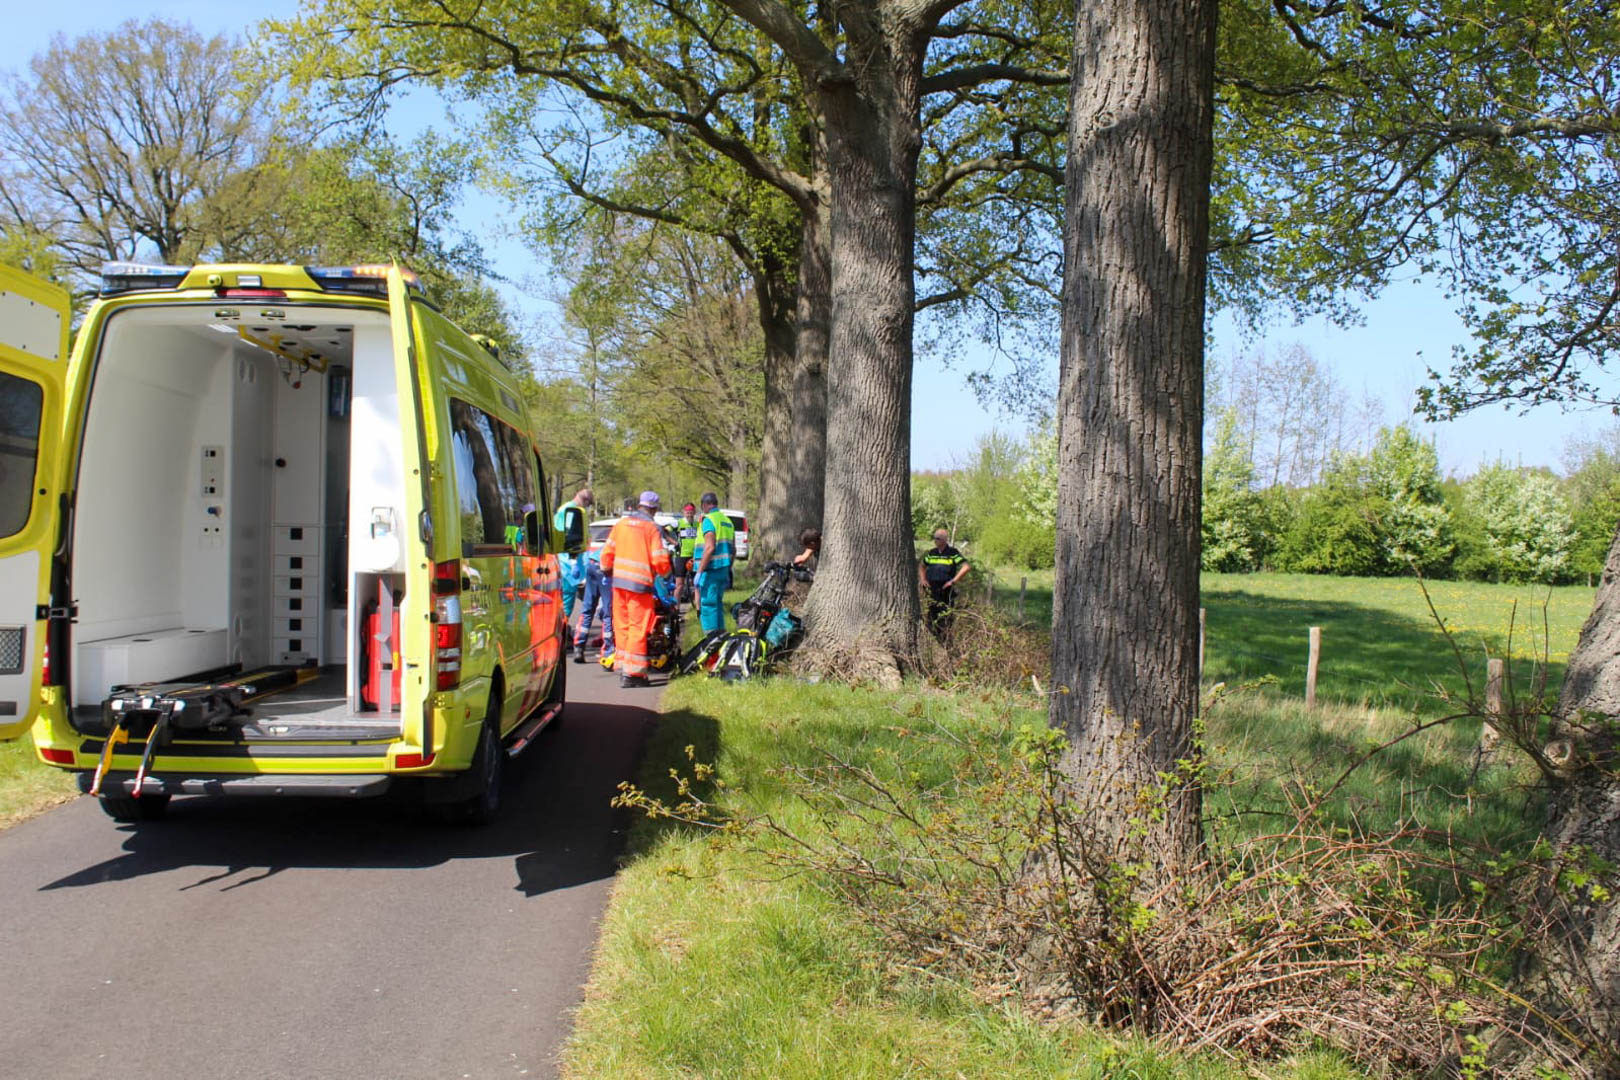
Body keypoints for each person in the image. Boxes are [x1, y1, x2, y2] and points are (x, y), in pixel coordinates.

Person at [600, 491, 673, 687]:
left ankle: (623, 666)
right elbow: (659, 560)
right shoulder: (651, 528)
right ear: (654, 509)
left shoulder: (621, 524)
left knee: (622, 626)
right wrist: (667, 573)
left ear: (640, 505)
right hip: (639, 587)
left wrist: (606, 569)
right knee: (637, 628)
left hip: (619, 585)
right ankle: (633, 674)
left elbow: (607, 553)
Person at [693, 491, 736, 636]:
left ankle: (711, 641)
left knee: (708, 605)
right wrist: (728, 568)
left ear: (704, 505)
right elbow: (734, 549)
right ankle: (721, 636)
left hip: (709, 570)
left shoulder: (708, 520)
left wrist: (699, 571)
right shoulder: (727, 521)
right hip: (723, 569)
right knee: (717, 604)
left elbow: (709, 547)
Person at [918, 528, 970, 638]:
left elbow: (966, 567)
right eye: (934, 538)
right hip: (931, 589)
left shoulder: (952, 553)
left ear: (945, 540)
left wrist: (953, 581)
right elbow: (922, 566)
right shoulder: (932, 553)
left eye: (938, 538)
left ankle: (944, 640)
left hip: (945, 590)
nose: (935, 540)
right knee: (931, 615)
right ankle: (932, 638)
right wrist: (923, 579)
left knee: (945, 617)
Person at [553, 488, 594, 626]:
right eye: (588, 504)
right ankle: (562, 627)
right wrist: (573, 561)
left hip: (564, 560)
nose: (587, 507)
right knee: (567, 597)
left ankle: (561, 626)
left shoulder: (564, 509)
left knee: (563, 597)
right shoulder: (573, 511)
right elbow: (571, 537)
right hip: (568, 563)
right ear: (585, 501)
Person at [573, 532, 613, 663]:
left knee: (588, 607)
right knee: (608, 612)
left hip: (593, 562)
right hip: (606, 567)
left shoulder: (617, 535)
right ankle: (608, 651)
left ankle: (578, 647)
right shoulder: (632, 542)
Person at [673, 502, 700, 603]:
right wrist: (674, 542)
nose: (689, 515)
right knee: (679, 585)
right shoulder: (679, 523)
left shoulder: (698, 524)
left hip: (694, 556)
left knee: (697, 584)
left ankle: (698, 607)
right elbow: (664, 531)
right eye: (687, 512)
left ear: (694, 512)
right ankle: (676, 608)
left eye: (691, 512)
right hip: (681, 556)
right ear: (684, 512)